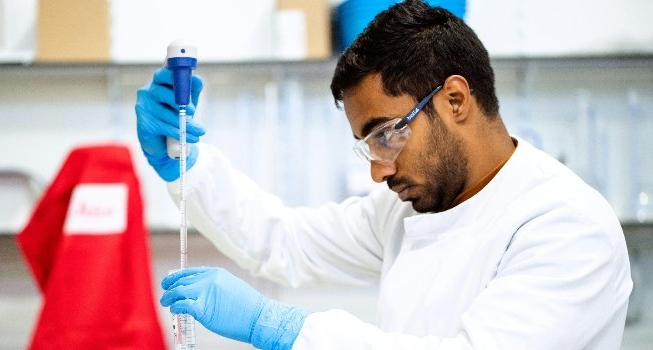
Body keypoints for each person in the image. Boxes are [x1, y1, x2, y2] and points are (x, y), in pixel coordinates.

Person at [135, 1, 632, 349]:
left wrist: (281, 328)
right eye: (367, 145)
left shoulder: (566, 225)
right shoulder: (410, 208)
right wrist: (186, 165)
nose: (378, 170)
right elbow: (285, 242)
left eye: (387, 134)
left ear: (455, 100)